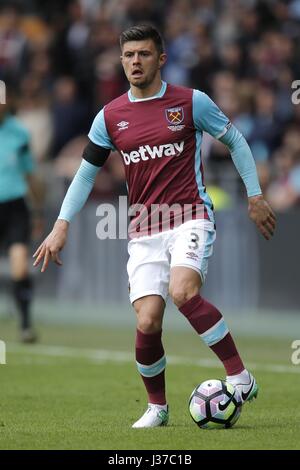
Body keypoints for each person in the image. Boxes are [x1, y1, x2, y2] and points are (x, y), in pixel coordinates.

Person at [33, 24, 276, 428]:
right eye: (128, 56)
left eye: (143, 54)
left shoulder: (191, 102)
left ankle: (239, 374)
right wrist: (61, 225)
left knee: (183, 291)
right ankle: (157, 408)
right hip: (144, 227)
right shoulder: (110, 117)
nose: (135, 62)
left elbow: (235, 140)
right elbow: (85, 175)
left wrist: (254, 195)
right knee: (147, 320)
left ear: (160, 59)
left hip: (190, 214)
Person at [0, 98, 43, 343]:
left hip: (15, 206)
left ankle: (25, 324)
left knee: (19, 265)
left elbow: (30, 174)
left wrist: (36, 210)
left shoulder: (19, 132)